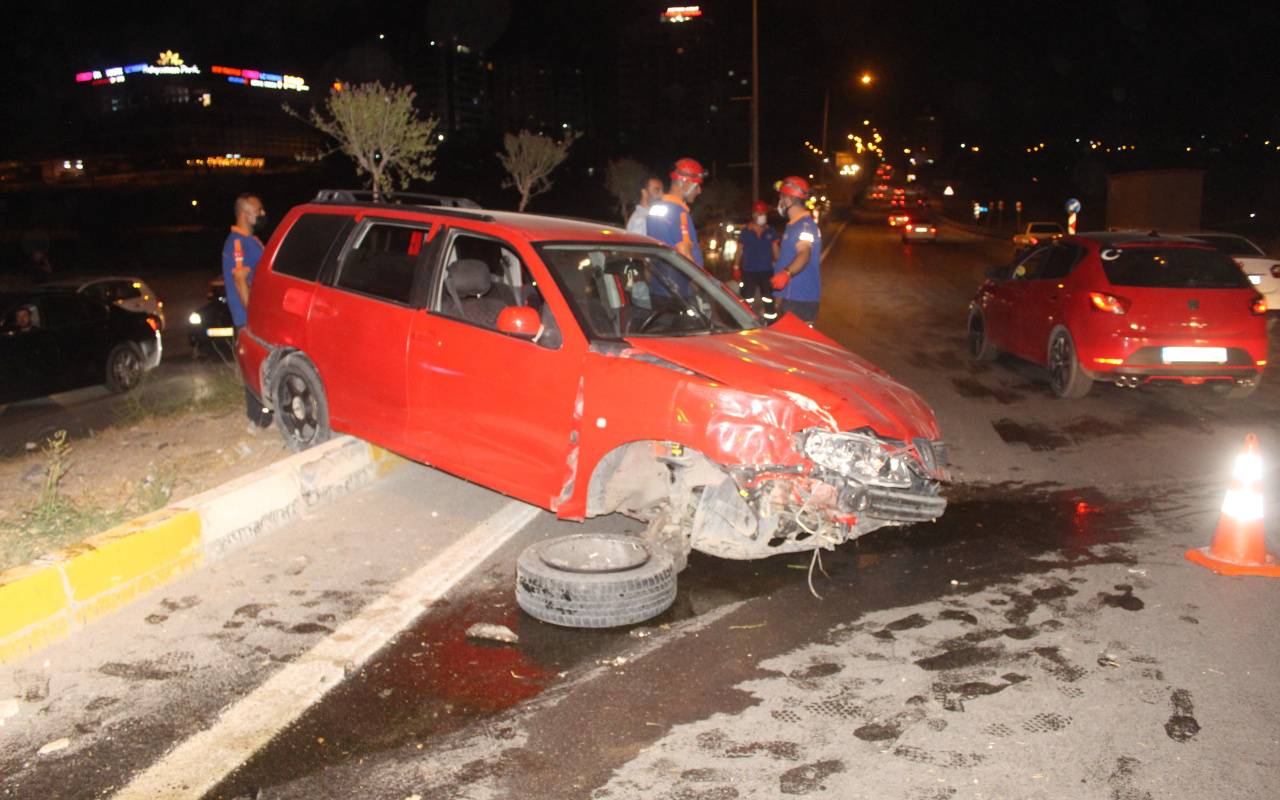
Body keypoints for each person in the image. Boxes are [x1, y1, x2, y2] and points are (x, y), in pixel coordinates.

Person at [221, 193, 273, 429]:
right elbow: (241, 281)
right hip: (248, 319)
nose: (262, 214)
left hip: (257, 317)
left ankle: (264, 417)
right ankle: (258, 420)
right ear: (245, 214)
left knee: (264, 367)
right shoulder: (238, 243)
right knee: (256, 368)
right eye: (258, 210)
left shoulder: (251, 241)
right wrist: (254, 316)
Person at [646, 158, 706, 308]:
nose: (699, 191)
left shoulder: (656, 209)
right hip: (680, 292)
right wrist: (702, 289)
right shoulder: (680, 213)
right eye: (697, 186)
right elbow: (685, 254)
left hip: (658, 288)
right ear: (686, 184)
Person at [770, 176, 822, 325]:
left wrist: (786, 274)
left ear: (788, 200)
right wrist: (779, 298)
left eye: (781, 198)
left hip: (801, 299)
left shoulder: (804, 226)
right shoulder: (794, 225)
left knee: (800, 346)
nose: (779, 202)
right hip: (791, 297)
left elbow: (804, 255)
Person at [733, 200, 779, 319]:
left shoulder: (771, 231)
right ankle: (747, 322)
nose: (763, 216)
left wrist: (780, 268)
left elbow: (776, 250)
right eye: (760, 213)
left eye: (764, 213)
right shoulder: (745, 232)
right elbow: (739, 251)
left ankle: (770, 322)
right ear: (754, 215)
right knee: (747, 299)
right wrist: (736, 267)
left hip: (767, 271)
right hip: (749, 272)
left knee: (769, 298)